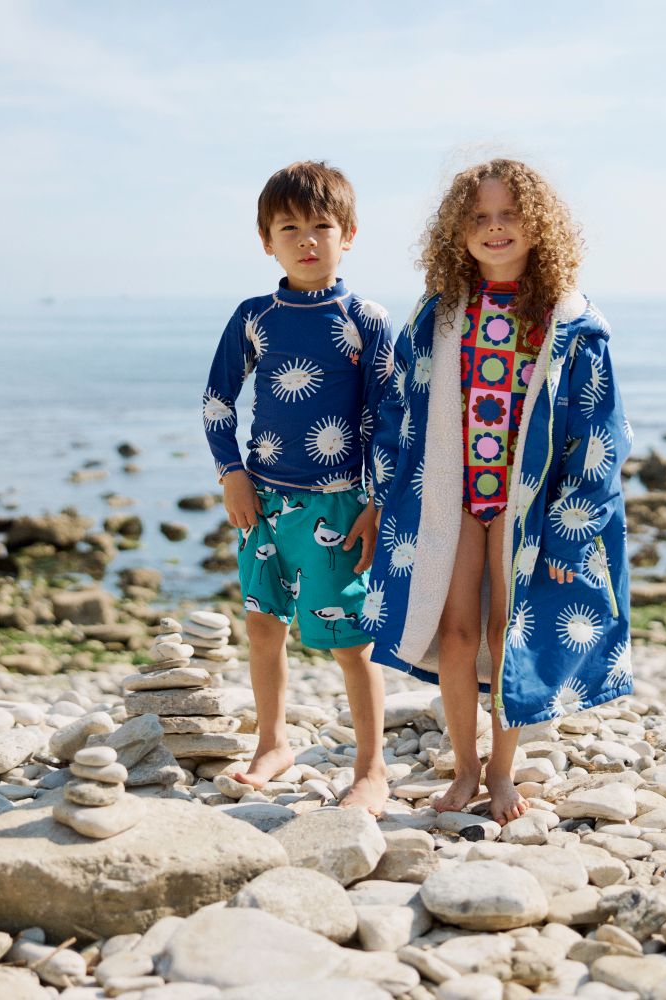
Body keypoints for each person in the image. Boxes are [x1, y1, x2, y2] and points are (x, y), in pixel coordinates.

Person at [365, 159, 632, 825]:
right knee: (455, 634)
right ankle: (463, 767)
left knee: (507, 630)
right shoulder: (439, 315)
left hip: (529, 509)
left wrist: (575, 529)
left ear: (537, 225)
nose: (494, 228)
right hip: (450, 500)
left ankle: (503, 773)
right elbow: (398, 411)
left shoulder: (569, 321)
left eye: (508, 215)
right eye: (479, 217)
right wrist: (376, 498)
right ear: (457, 232)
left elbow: (598, 434)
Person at [203, 160, 394, 814]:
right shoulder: (256, 315)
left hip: (340, 504)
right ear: (267, 241)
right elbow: (217, 399)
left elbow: (387, 416)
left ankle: (372, 769)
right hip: (264, 502)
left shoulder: (365, 317)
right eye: (290, 228)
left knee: (350, 642)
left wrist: (377, 502)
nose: (307, 240)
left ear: (350, 234)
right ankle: (272, 742)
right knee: (262, 626)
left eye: (322, 226)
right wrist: (231, 473)